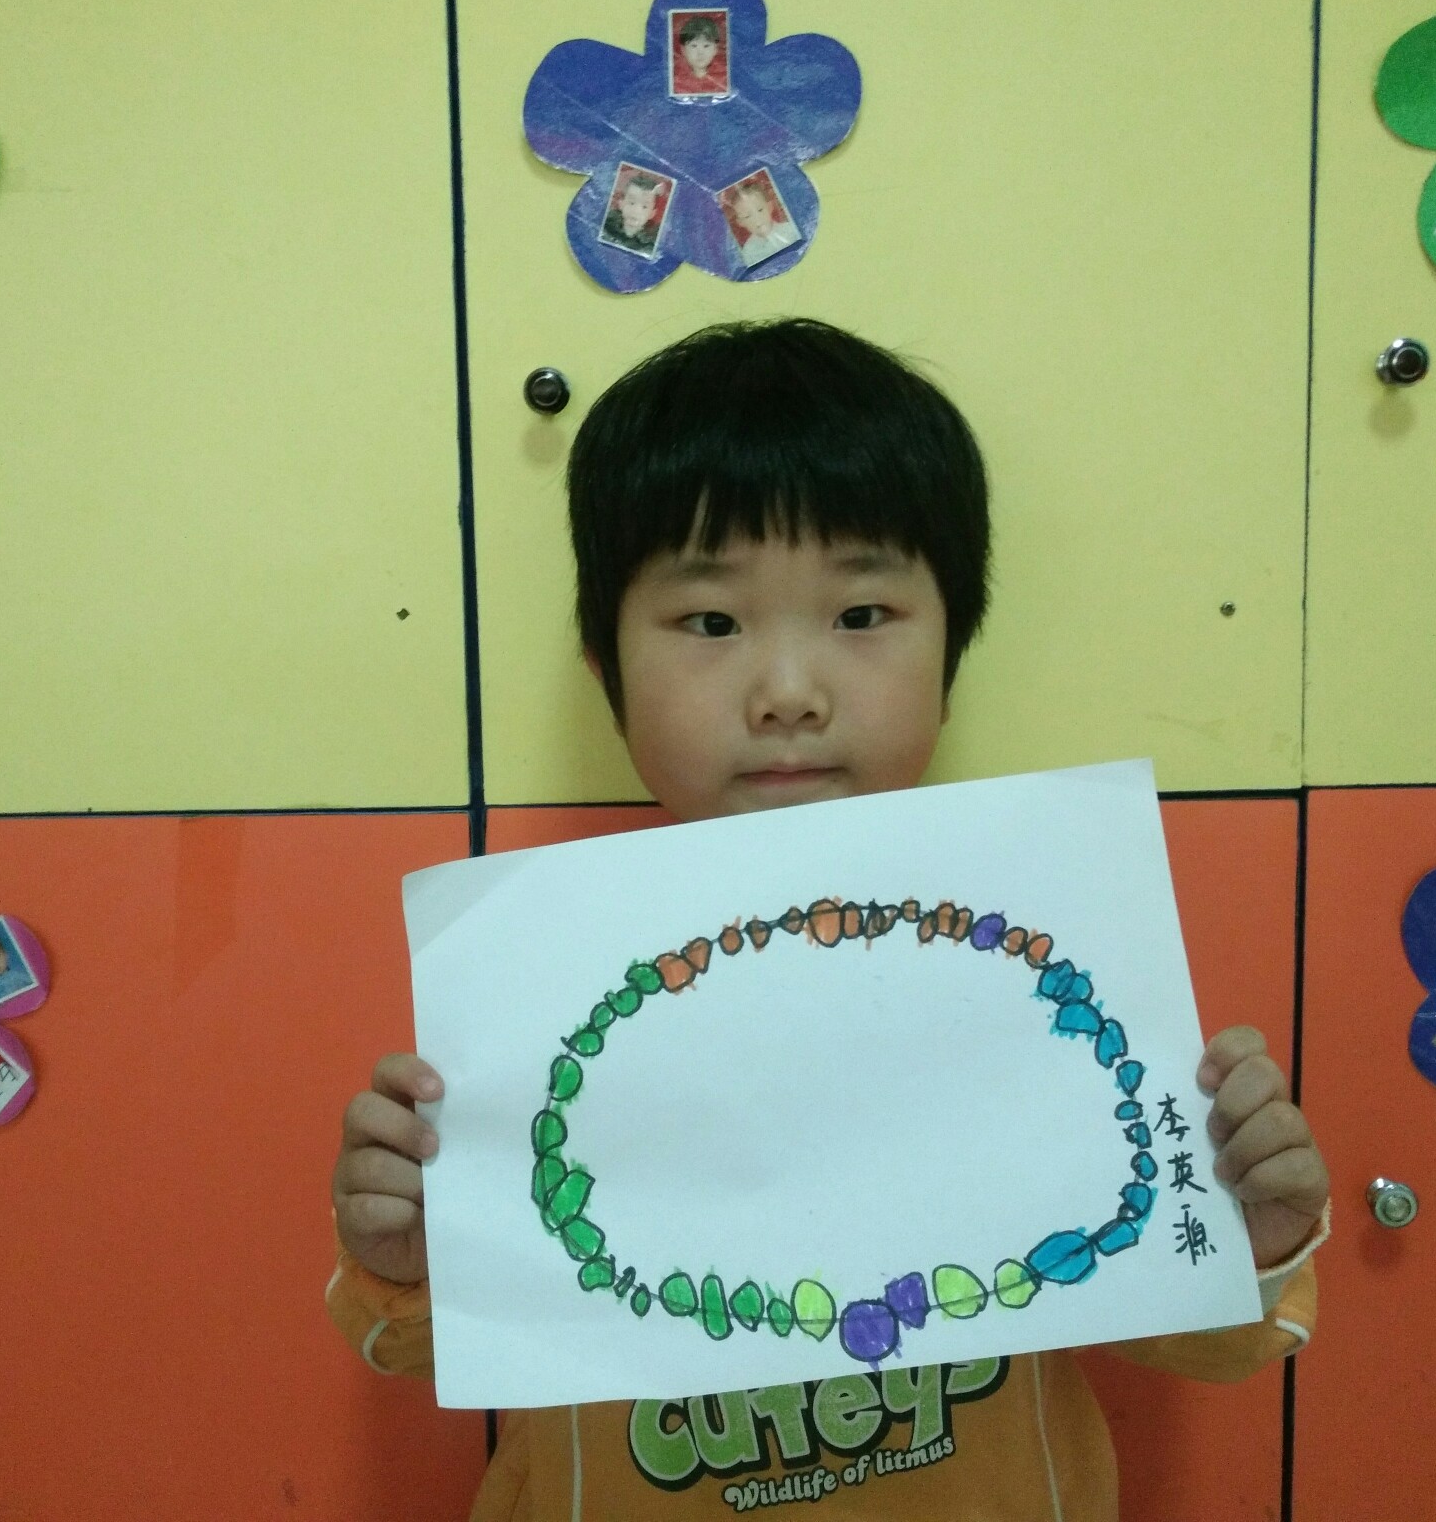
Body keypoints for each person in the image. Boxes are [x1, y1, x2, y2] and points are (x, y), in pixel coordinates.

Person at [327, 320, 1332, 1521]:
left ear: (952, 650)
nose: (789, 694)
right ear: (605, 667)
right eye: (711, 624)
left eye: (860, 615)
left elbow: (1200, 1331)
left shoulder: (1039, 978)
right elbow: (436, 1342)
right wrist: (406, 1258)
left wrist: (1250, 1234)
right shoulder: (538, 994)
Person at [724, 176, 803, 268]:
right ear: (740, 222)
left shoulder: (790, 229)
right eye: (747, 216)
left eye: (760, 210)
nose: (757, 218)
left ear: (770, 207)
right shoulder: (748, 251)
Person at [600, 170, 668, 257]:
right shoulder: (606, 225)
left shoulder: (652, 244)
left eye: (644, 207)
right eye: (631, 203)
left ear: (652, 214)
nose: (636, 211)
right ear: (621, 204)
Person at [672, 14, 729, 96]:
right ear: (683, 50)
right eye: (694, 46)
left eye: (706, 46)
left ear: (715, 49)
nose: (700, 53)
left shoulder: (725, 79)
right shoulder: (675, 81)